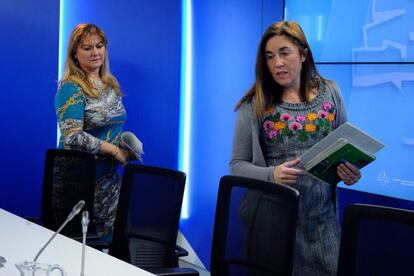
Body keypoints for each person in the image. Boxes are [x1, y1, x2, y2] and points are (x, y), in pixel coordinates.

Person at [231, 21, 361, 275]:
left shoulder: (331, 91)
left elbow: (346, 148)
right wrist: (272, 174)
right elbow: (237, 166)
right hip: (272, 223)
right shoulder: (254, 104)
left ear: (303, 54)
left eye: (284, 52)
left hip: (322, 223)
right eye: (269, 57)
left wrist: (351, 171)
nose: (277, 63)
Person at [55, 23, 130, 242]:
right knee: (83, 248)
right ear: (75, 55)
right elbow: (73, 136)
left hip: (110, 181)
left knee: (113, 248)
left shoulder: (109, 83)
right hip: (80, 181)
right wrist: (114, 150)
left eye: (99, 46)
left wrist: (126, 146)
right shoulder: (71, 87)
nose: (95, 52)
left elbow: (110, 126)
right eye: (87, 48)